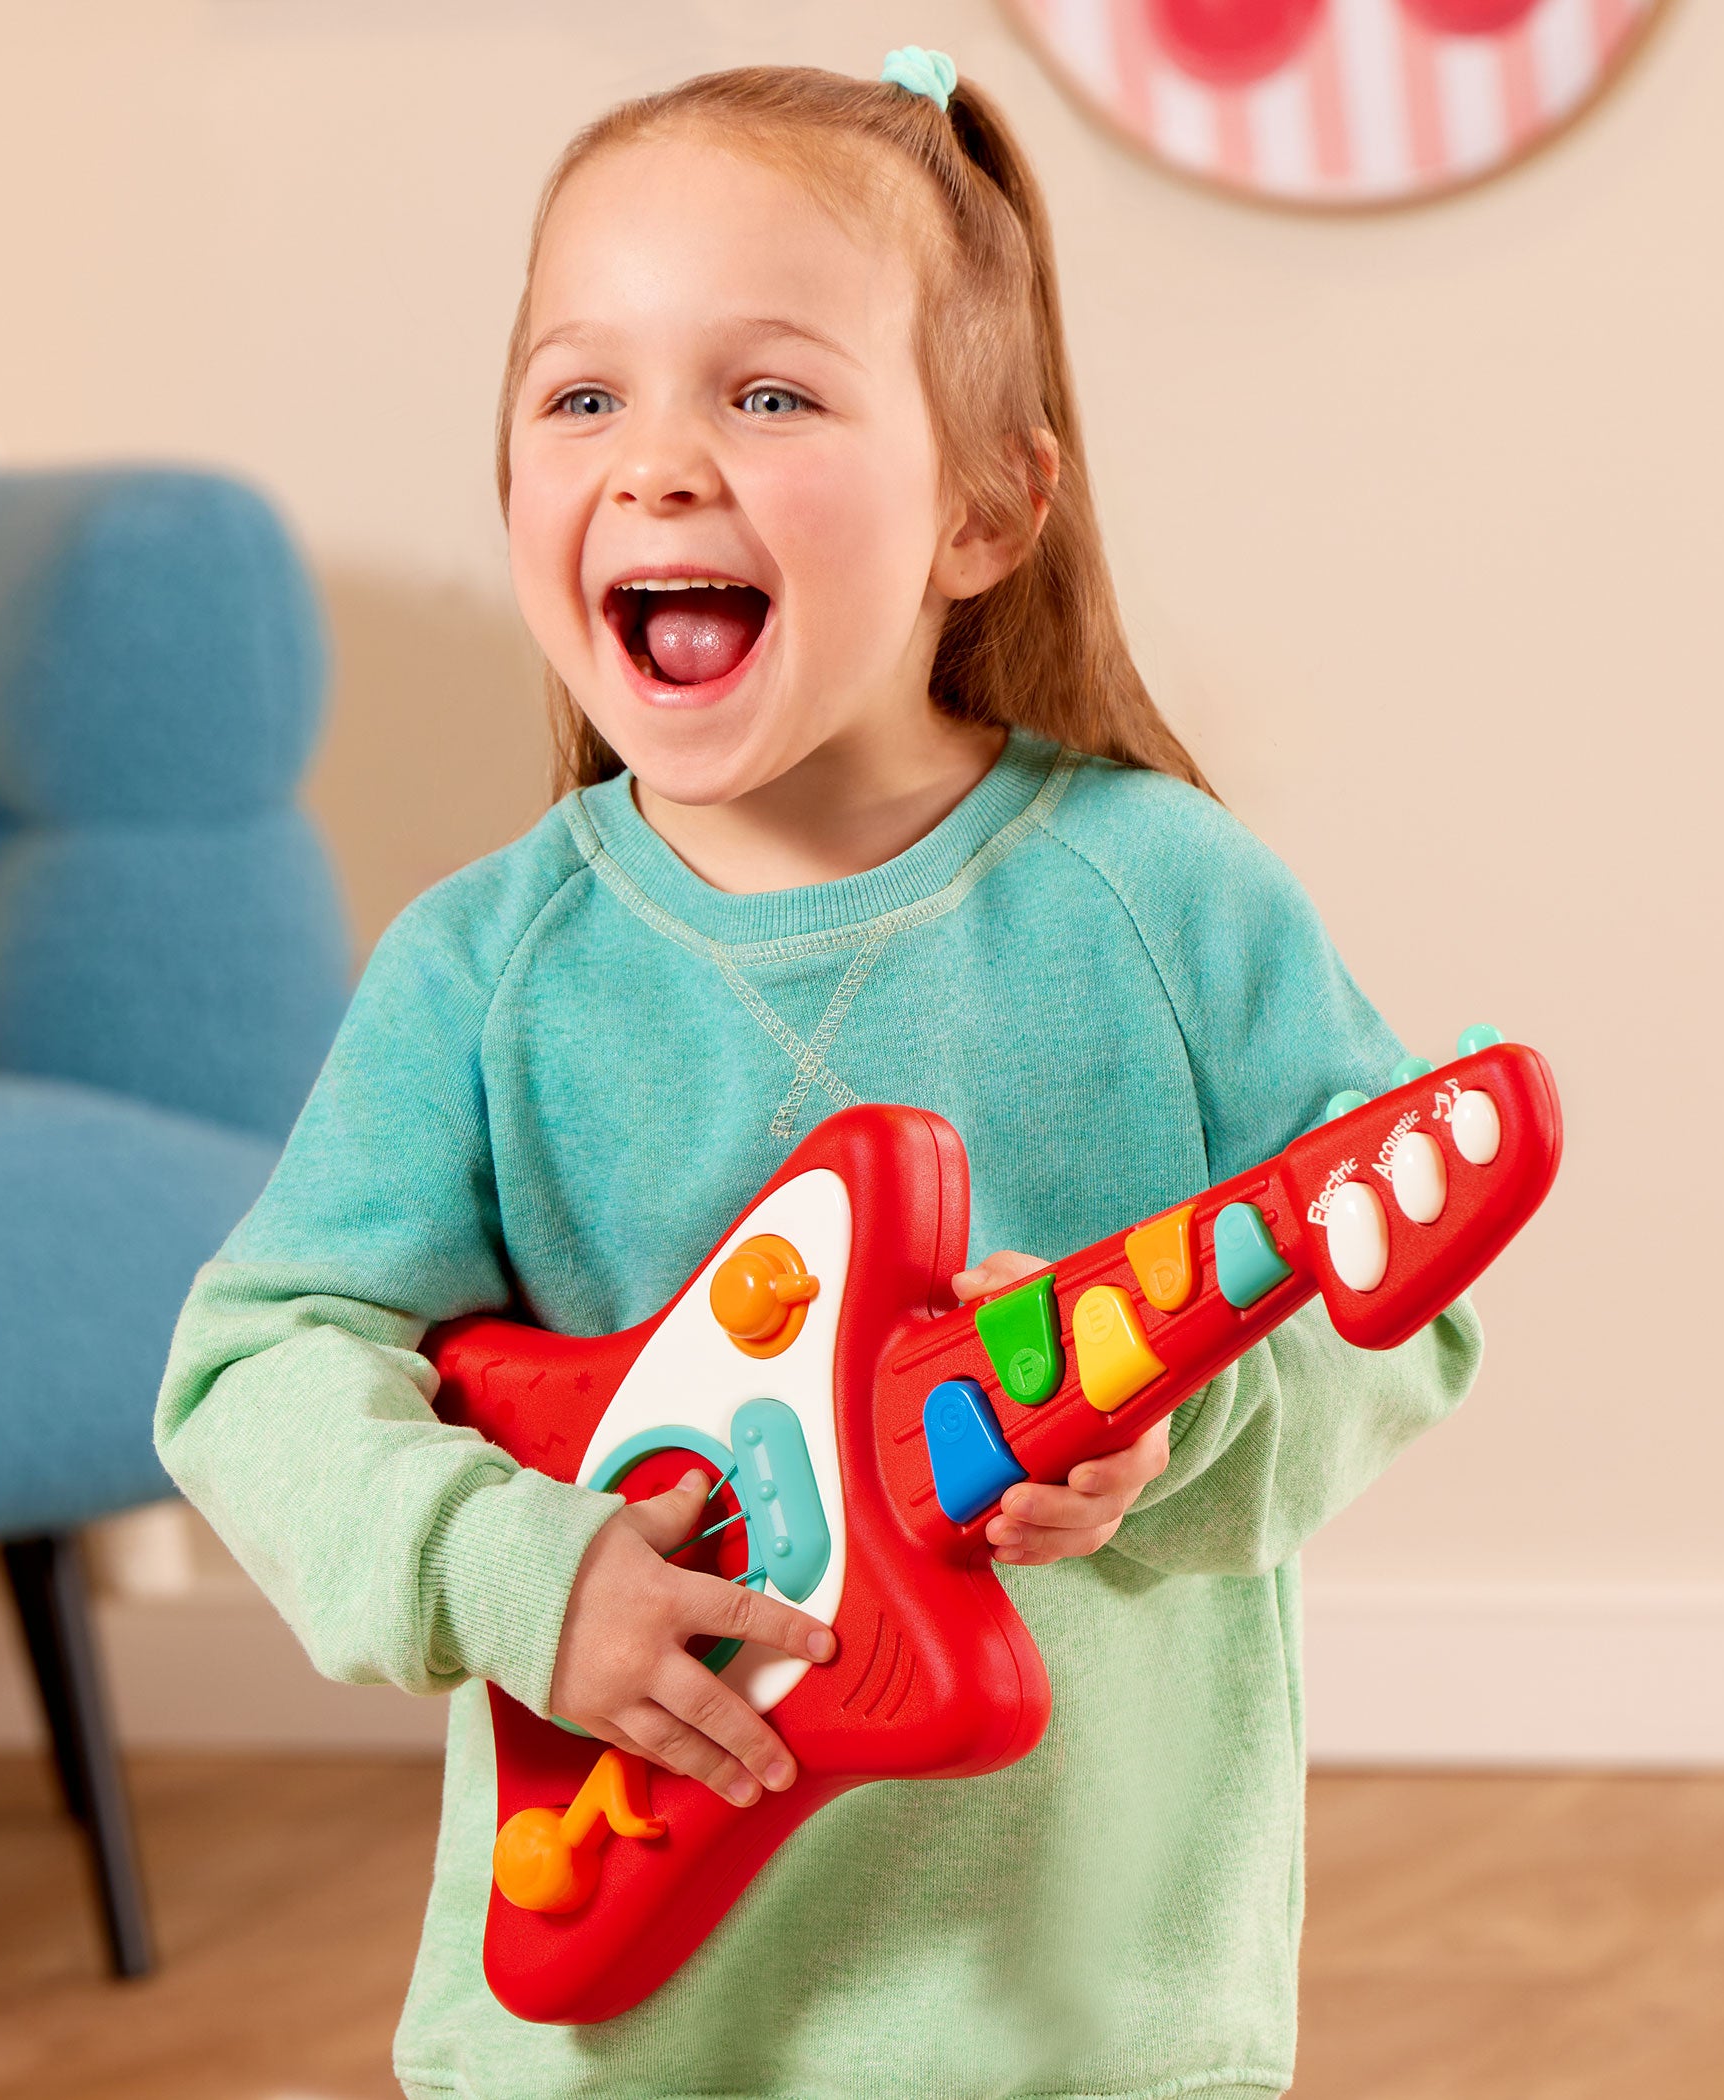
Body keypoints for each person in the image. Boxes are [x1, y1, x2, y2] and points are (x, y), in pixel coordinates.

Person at [157, 47, 1481, 2100]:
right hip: (615, 2014)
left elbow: (1408, 1307)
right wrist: (519, 1570)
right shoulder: (484, 973)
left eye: (766, 393)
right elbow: (259, 1365)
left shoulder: (1167, 898)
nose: (661, 463)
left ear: (986, 507)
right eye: (582, 394)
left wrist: (1191, 1435)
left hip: (1070, 2016)